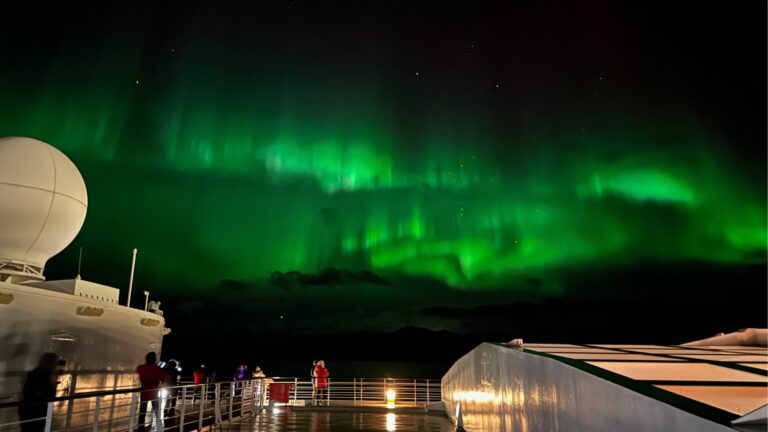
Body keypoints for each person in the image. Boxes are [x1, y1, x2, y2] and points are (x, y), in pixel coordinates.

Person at [18, 353, 58, 432]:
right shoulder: (45, 376)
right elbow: (50, 396)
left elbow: (27, 392)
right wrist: (53, 385)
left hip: (26, 413)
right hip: (36, 414)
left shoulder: (33, 373)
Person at [136, 352, 167, 432]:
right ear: (154, 359)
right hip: (154, 393)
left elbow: (138, 373)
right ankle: (160, 428)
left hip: (144, 393)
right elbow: (163, 379)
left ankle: (140, 429)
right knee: (157, 413)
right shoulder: (157, 369)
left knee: (142, 414)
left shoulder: (140, 368)